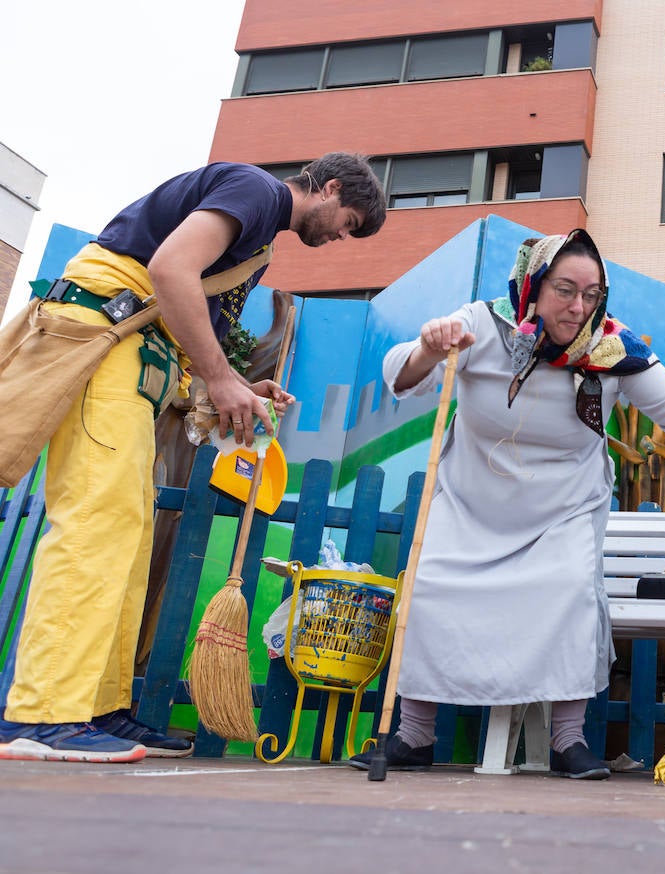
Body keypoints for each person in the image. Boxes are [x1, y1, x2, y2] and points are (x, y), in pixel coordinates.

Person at [350, 229, 665, 779]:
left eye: (592, 295)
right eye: (566, 290)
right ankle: (415, 735)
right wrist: (428, 346)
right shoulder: (481, 325)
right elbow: (402, 376)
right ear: (534, 287)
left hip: (562, 509)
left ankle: (568, 741)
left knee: (568, 593)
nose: (579, 306)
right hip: (471, 502)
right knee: (433, 588)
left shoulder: (614, 350)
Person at [0, 154, 386, 764]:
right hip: (107, 340)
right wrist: (220, 375)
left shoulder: (259, 239)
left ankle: (97, 707)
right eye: (349, 221)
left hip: (136, 356)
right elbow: (171, 267)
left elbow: (182, 318)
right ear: (330, 186)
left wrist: (229, 384)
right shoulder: (256, 191)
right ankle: (44, 713)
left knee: (126, 535)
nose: (342, 236)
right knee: (96, 524)